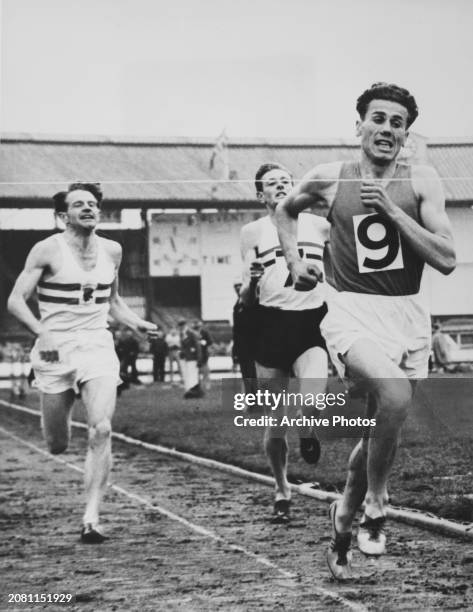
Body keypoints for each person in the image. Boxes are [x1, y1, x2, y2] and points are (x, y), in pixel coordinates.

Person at [275, 83, 456, 579]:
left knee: (378, 429)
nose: (387, 130)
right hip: (350, 311)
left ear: (406, 134)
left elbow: (447, 259)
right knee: (395, 397)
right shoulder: (330, 178)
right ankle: (377, 503)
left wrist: (393, 210)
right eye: (378, 119)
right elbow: (285, 210)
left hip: (407, 316)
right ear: (359, 126)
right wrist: (294, 260)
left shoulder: (421, 182)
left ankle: (341, 525)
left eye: (397, 123)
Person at [7, 182, 158, 544]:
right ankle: (61, 420)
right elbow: (15, 300)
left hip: (96, 344)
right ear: (63, 216)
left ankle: (91, 517)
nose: (89, 208)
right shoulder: (47, 250)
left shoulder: (113, 250)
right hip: (54, 347)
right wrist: (42, 331)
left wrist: (136, 323)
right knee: (57, 443)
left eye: (93, 204)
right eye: (79, 205)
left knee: (102, 429)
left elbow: (113, 302)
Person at [240, 162, 330, 524]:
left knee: (314, 397)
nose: (280, 187)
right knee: (275, 422)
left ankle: (307, 428)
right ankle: (281, 489)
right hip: (269, 324)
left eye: (286, 182)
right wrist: (249, 282)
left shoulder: (320, 225)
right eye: (271, 184)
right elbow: (246, 297)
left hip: (310, 321)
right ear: (260, 195)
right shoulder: (252, 231)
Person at [232, 279, 258, 396]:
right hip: (242, 348)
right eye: (236, 286)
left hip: (253, 346)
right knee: (246, 375)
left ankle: (257, 401)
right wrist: (235, 352)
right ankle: (251, 402)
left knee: (253, 374)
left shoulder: (252, 303)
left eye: (240, 285)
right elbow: (236, 331)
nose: (238, 288)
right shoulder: (237, 305)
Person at [178, 319, 204, 398]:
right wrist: (182, 352)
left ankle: (194, 391)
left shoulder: (191, 333)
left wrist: (199, 358)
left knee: (193, 375)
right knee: (187, 375)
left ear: (185, 325)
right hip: (186, 358)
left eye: (183, 325)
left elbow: (198, 346)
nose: (181, 327)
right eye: (180, 325)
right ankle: (189, 390)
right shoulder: (181, 334)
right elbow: (183, 345)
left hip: (193, 358)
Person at [192, 320, 213, 391]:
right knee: (196, 370)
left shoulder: (205, 332)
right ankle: (197, 384)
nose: (197, 326)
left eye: (198, 324)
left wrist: (205, 343)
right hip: (195, 354)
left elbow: (210, 342)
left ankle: (206, 384)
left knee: (205, 370)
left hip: (204, 353)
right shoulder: (192, 332)